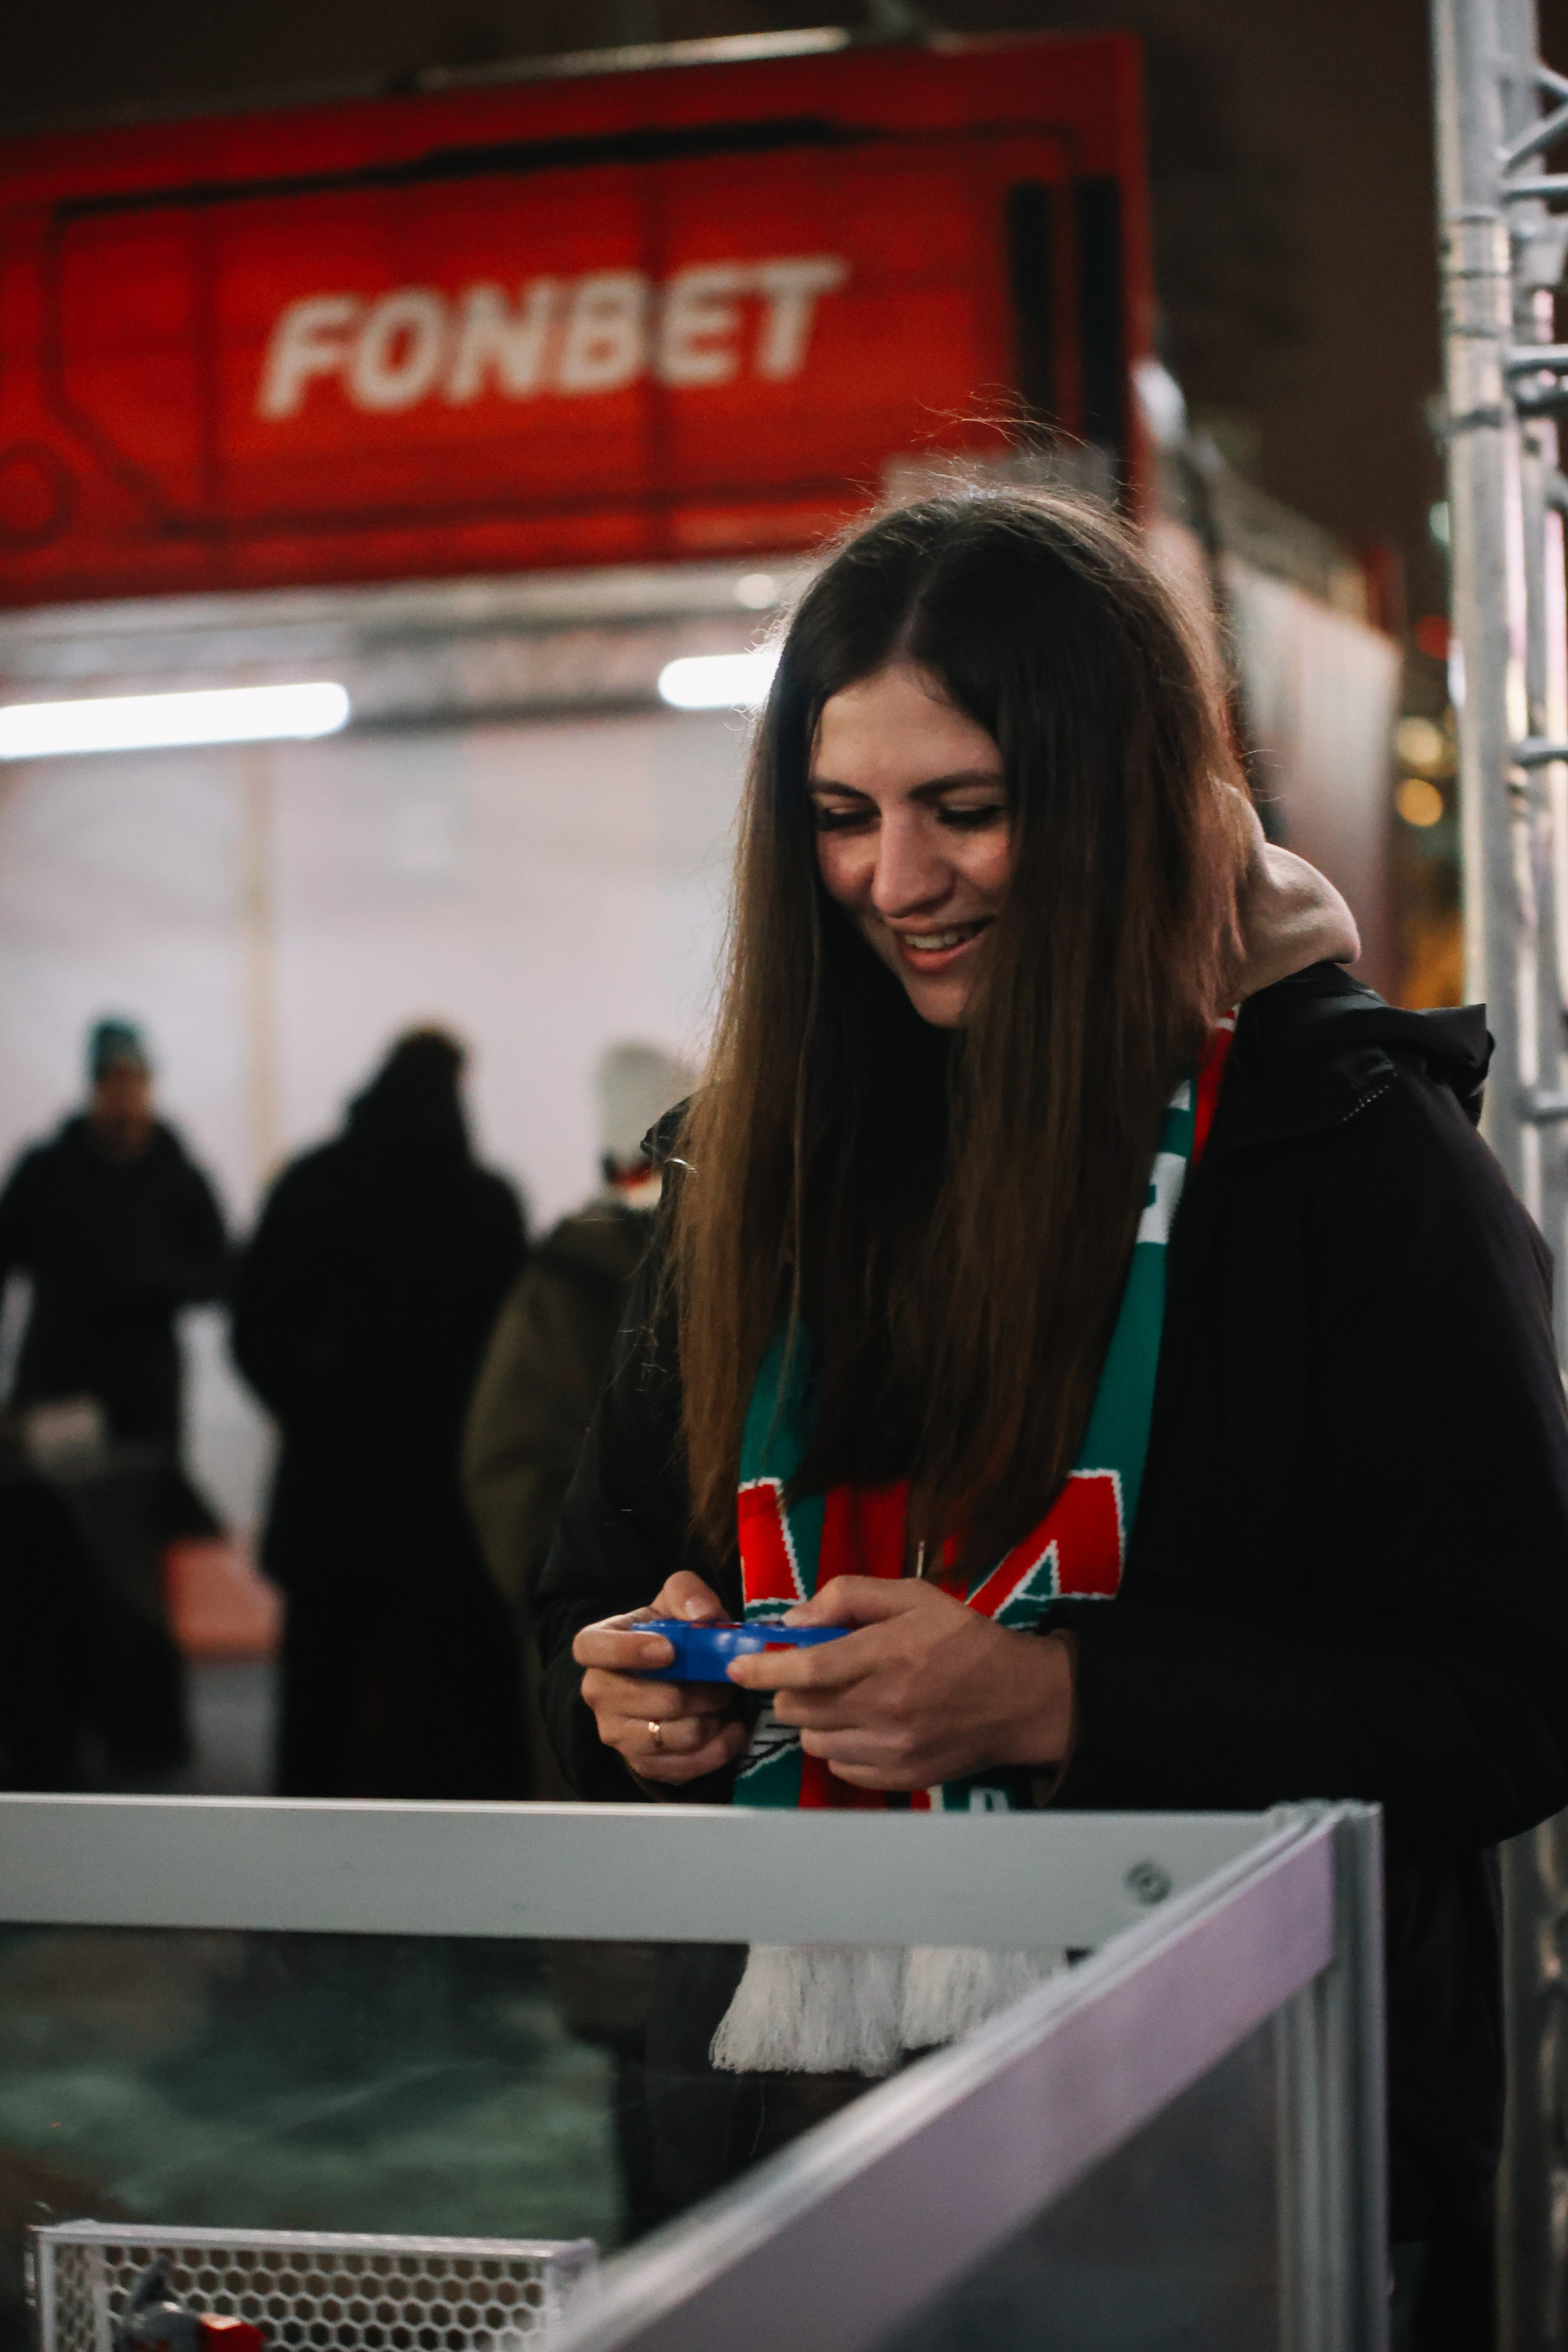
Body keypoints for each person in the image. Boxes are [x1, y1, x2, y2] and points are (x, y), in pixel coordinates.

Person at [535, 494, 1568, 2350]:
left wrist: (1057, 1697)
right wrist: (630, 1688)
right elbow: (592, 1583)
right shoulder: (751, 1156)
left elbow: (1509, 1694)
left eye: (967, 806)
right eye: (841, 818)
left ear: (1105, 796)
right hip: (796, 2147)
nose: (894, 882)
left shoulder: (1338, 1148)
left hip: (1245, 2157)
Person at [232, 1028, 528, 1799]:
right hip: (442, 1510)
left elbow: (254, 1331)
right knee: (445, 1728)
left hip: (327, 1501)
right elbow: (511, 1364)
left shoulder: (308, 1185)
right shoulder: (483, 1203)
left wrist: (314, 1409)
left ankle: (306, 1891)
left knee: (321, 1714)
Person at [463, 1039, 696, 1790]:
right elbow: (511, 1472)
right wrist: (586, 1599)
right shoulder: (569, 1282)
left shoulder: (749, 1258)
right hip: (623, 1677)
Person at [0, 1018, 228, 1449]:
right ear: (96, 1086)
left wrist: (154, 1282)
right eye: (113, 1079)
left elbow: (219, 1271)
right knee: (57, 1506)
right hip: (59, 1375)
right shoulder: (46, 1173)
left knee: (143, 1501)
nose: (125, 1094)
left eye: (134, 1079)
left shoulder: (180, 1177)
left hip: (146, 1388)